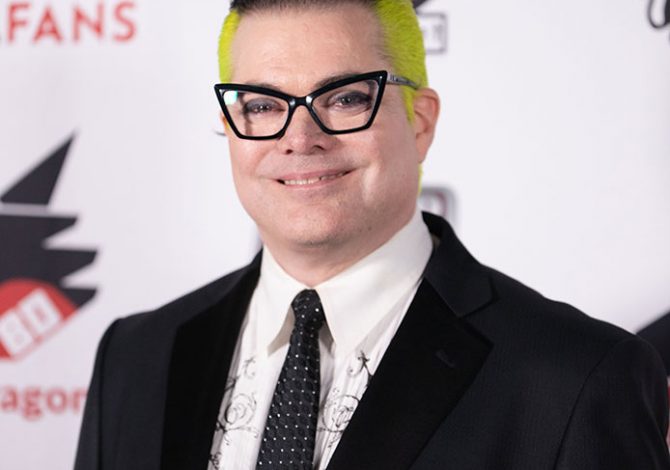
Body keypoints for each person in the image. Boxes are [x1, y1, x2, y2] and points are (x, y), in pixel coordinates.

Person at [74, 1, 670, 469]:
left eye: (345, 98)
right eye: (262, 105)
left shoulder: (577, 378)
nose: (300, 138)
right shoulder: (135, 356)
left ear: (420, 122)